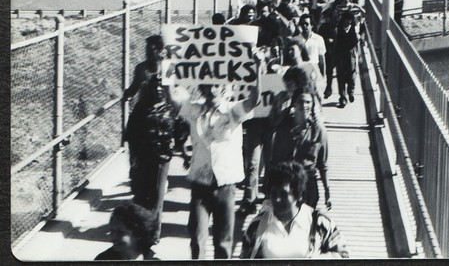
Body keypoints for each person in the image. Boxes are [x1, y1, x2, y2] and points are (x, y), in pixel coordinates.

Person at [168, 55, 262, 259]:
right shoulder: (194, 110)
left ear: (224, 88)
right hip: (200, 184)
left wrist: (256, 67)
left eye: (216, 86)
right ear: (201, 87)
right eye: (207, 86)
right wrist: (169, 68)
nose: (212, 90)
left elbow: (255, 100)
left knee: (223, 242)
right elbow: (172, 100)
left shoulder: (233, 111)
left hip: (225, 185)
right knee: (197, 238)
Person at [123, 35, 175, 244]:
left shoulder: (169, 69)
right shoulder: (141, 69)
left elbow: (174, 98)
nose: (149, 52)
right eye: (148, 48)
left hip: (161, 129)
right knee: (140, 182)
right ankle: (140, 226)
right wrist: (126, 93)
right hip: (141, 128)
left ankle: (153, 233)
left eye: (153, 49)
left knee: (157, 187)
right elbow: (133, 89)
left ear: (162, 51)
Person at [240, 161, 349, 259]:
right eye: (274, 194)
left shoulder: (320, 223)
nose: (277, 199)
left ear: (299, 196)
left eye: (283, 194)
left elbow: (343, 255)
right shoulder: (256, 226)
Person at [268, 88, 330, 209]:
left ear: (312, 105)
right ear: (294, 104)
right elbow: (274, 161)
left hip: (308, 182)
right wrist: (269, 188)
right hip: (285, 183)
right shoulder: (283, 129)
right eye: (300, 101)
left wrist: (327, 190)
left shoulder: (319, 131)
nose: (304, 105)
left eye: (308, 102)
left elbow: (323, 165)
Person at [336, 10, 361, 108]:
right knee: (341, 76)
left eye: (350, 20)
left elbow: (355, 42)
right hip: (341, 54)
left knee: (351, 74)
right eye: (346, 20)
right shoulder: (339, 28)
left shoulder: (354, 28)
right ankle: (342, 98)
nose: (348, 22)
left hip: (351, 54)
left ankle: (351, 92)